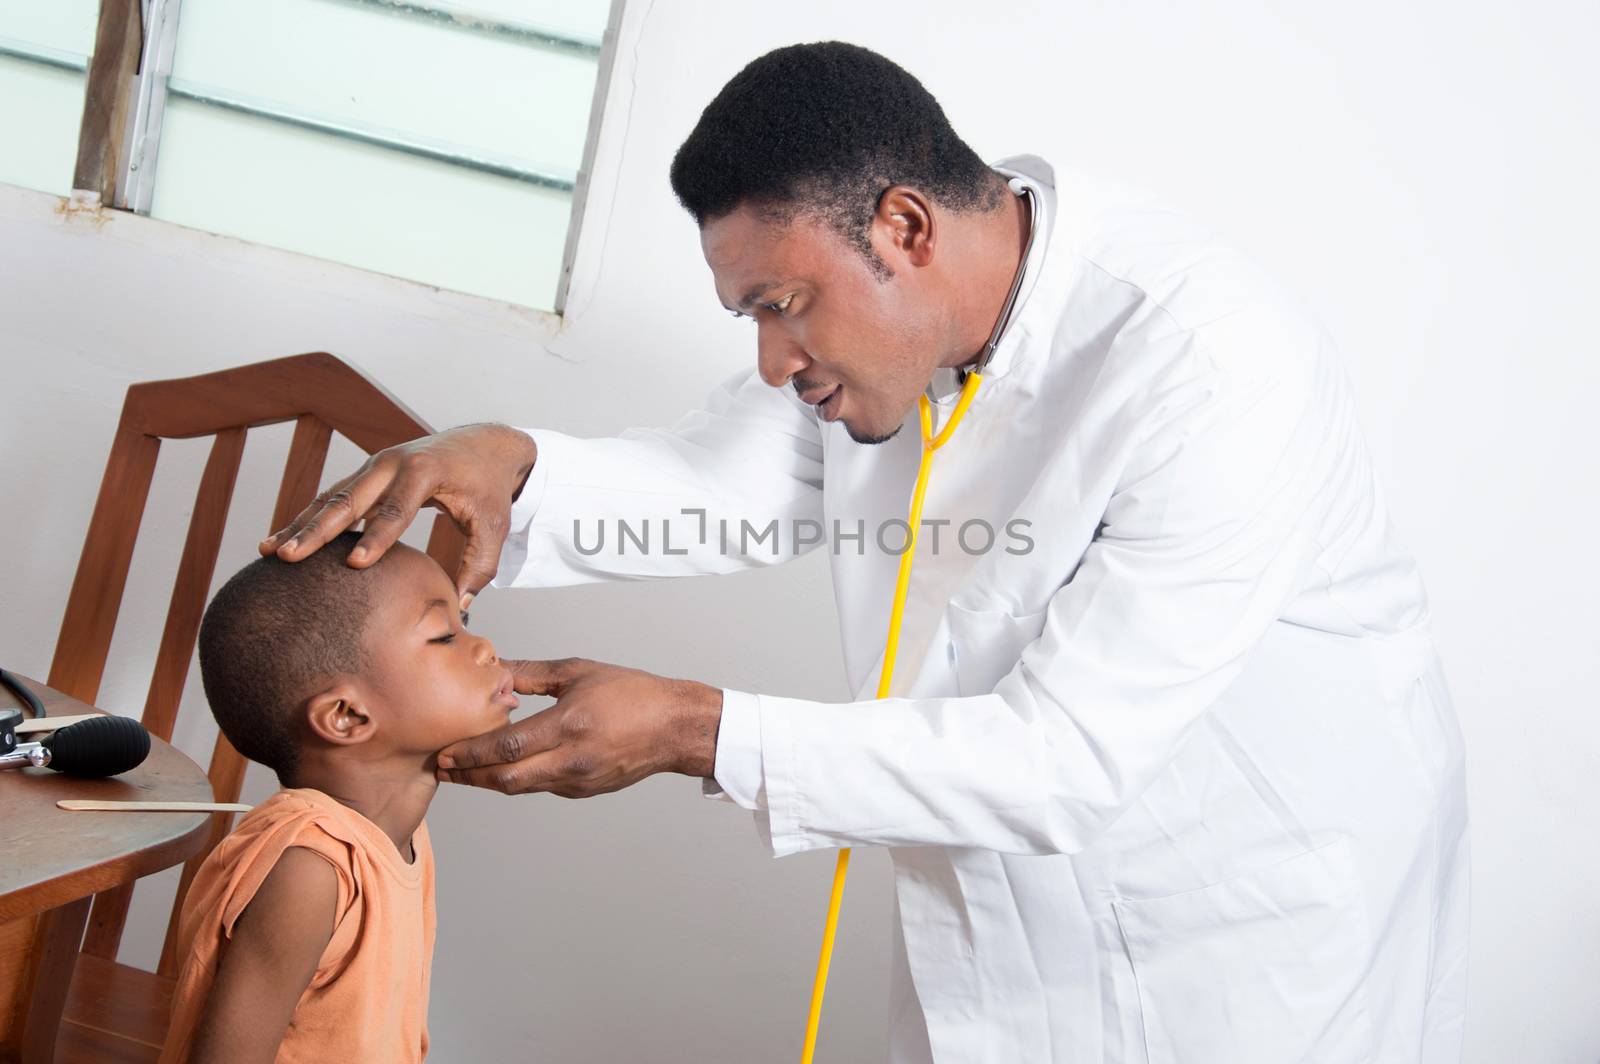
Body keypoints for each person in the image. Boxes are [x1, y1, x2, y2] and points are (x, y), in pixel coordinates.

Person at [260, 42, 1470, 1063]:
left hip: (1242, 937)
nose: (774, 361)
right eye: (752, 318)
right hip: (1008, 923)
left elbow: (1064, 757)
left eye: (783, 304)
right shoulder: (887, 351)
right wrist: (510, 464)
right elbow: (712, 487)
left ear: (903, 225)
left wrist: (696, 728)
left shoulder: (1208, 366)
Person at [160, 531, 520, 1063]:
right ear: (347, 716)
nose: (485, 646)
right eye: (445, 635)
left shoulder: (399, 837)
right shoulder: (309, 867)